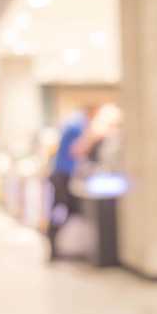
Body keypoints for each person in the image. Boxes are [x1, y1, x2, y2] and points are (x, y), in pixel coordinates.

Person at [47, 106, 101, 261]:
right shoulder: (78, 125)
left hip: (61, 174)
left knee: (65, 209)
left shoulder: (73, 123)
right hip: (63, 176)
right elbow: (76, 150)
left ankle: (60, 245)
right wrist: (95, 138)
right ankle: (54, 244)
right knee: (63, 209)